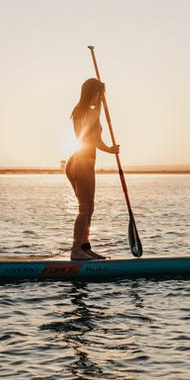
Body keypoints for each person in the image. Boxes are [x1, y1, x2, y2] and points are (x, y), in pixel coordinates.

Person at [65, 78, 120, 260]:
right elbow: (95, 141)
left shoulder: (79, 110)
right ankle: (75, 250)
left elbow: (90, 135)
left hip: (76, 162)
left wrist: (100, 104)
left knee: (89, 207)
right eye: (100, 94)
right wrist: (110, 150)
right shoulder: (91, 112)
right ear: (93, 93)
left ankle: (84, 247)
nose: (101, 97)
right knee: (85, 208)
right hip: (83, 163)